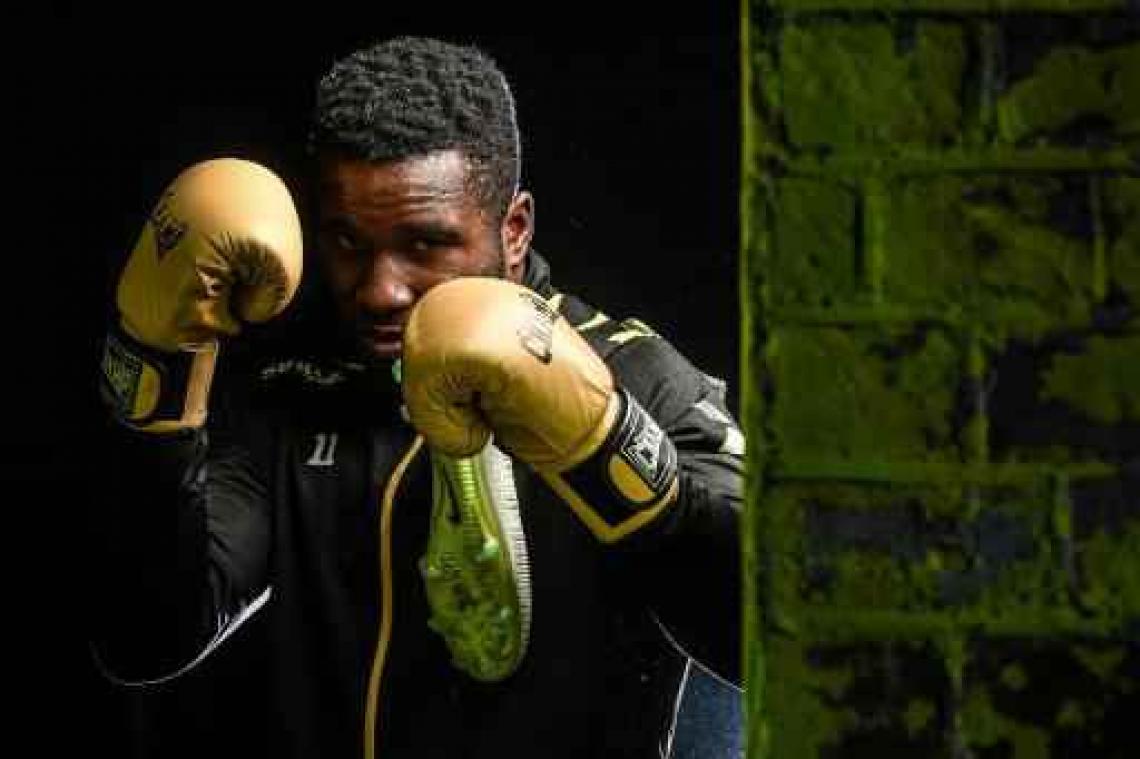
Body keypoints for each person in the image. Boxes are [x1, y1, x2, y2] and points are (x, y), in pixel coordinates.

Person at [90, 35, 743, 758]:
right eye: (347, 243)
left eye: (426, 245)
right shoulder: (298, 389)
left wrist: (613, 453)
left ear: (514, 229)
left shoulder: (631, 373)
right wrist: (154, 376)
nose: (380, 290)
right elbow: (148, 636)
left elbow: (766, 638)